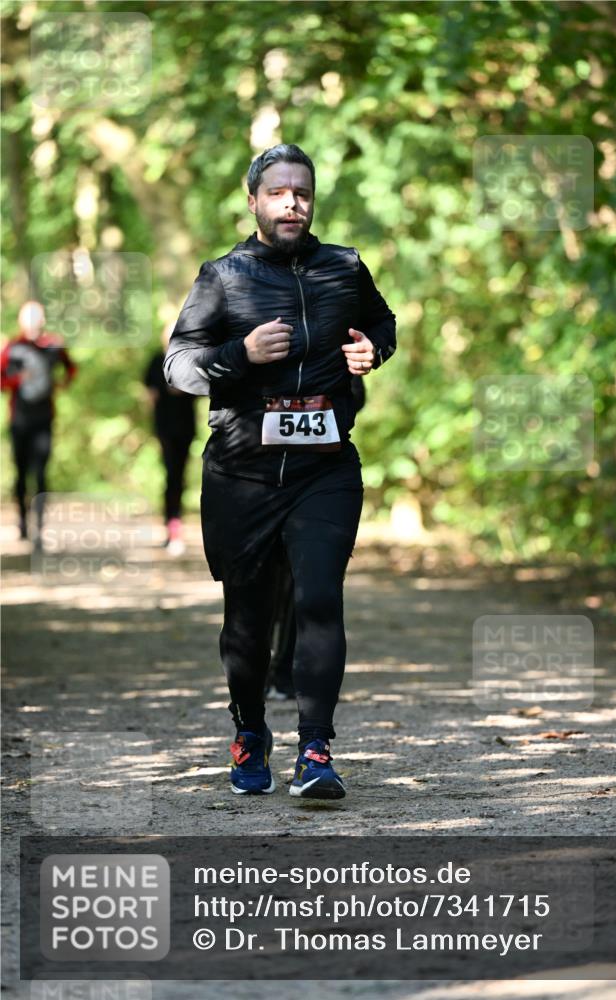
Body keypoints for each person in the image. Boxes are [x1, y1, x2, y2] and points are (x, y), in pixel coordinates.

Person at [165, 143, 396, 799]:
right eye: (278, 192)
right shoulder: (223, 276)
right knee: (247, 620)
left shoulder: (343, 267)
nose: (291, 201)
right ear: (254, 200)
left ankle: (316, 752)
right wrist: (239, 352)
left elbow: (381, 321)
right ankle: (249, 732)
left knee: (319, 599)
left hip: (324, 466)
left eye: (302, 191)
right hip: (242, 470)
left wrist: (369, 349)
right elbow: (180, 367)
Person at [265, 374, 367, 701]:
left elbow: (357, 396)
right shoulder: (253, 329)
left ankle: (285, 671)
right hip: (258, 476)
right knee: (267, 582)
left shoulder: (334, 329)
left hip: (319, 479)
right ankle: (263, 673)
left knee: (306, 581)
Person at [1, 300, 77, 547]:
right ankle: (22, 523)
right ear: (22, 320)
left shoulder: (53, 346)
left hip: (44, 418)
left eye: (37, 317)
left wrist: (59, 384)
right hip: (19, 420)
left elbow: (71, 368)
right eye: (29, 317)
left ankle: (40, 528)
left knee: (42, 473)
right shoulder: (13, 347)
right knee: (21, 473)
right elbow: (2, 380)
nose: (33, 322)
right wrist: (17, 381)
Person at [144, 322, 197, 555]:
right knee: (171, 476)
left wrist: (185, 389)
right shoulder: (156, 361)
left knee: (180, 478)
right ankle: (171, 527)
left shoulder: (189, 359)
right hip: (165, 429)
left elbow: (202, 388)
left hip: (185, 428)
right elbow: (150, 394)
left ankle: (176, 526)